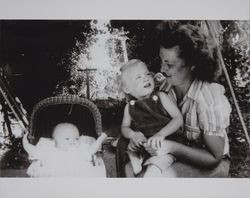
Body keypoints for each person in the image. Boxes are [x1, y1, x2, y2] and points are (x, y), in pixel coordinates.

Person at [149, 23, 232, 177]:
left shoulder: (208, 99)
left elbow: (215, 158)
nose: (162, 69)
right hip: (176, 157)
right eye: (161, 61)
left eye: (169, 64)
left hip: (211, 166)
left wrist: (171, 147)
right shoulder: (166, 87)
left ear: (192, 65)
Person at [119, 59, 183, 177]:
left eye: (147, 74)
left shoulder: (161, 97)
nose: (146, 78)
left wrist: (161, 134)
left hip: (166, 145)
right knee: (127, 167)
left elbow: (178, 119)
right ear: (128, 89)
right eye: (138, 77)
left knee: (152, 172)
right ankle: (137, 161)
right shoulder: (129, 107)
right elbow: (124, 127)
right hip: (145, 146)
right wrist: (133, 135)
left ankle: (148, 170)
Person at [23, 122, 107, 177]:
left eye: (76, 139)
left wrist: (100, 139)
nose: (72, 141)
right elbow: (33, 151)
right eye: (67, 139)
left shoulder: (79, 150)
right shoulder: (50, 151)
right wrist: (25, 142)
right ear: (54, 141)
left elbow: (91, 150)